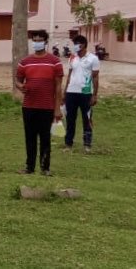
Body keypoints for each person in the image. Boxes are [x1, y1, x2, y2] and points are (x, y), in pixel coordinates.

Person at [15, 30, 64, 176]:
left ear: (46, 42)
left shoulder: (55, 62)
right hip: (29, 106)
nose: (37, 43)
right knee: (29, 137)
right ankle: (29, 167)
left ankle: (45, 168)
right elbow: (18, 80)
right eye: (34, 40)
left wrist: (57, 108)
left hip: (47, 106)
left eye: (40, 40)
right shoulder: (25, 62)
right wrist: (20, 86)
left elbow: (58, 87)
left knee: (45, 138)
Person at [64, 34, 100, 153]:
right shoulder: (72, 57)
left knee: (87, 118)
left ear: (83, 45)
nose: (74, 46)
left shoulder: (93, 58)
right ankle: (68, 144)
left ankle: (87, 144)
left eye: (76, 44)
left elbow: (95, 78)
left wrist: (94, 95)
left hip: (86, 93)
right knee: (70, 119)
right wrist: (65, 92)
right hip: (71, 92)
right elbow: (69, 75)